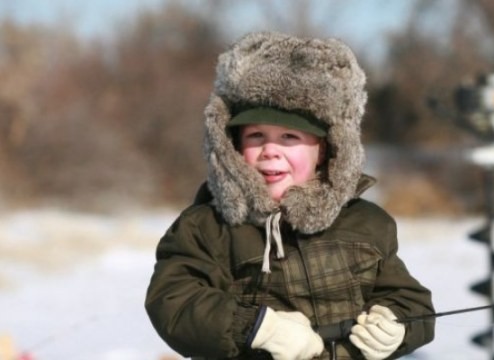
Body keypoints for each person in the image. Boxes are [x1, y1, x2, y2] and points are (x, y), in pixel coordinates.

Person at [145, 31, 435, 360]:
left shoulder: (367, 223)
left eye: (289, 136)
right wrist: (257, 328)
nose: (270, 150)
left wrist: (398, 324)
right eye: (256, 135)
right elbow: (175, 303)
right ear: (232, 146)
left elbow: (411, 301)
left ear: (325, 150)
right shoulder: (207, 228)